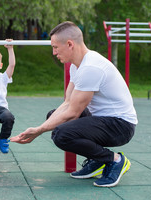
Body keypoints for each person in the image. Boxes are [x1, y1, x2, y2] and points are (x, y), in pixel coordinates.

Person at [10, 21, 137, 187]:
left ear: (70, 44)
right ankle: (98, 161)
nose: (54, 52)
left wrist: (39, 131)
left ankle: (114, 160)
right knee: (53, 118)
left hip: (121, 126)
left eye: (55, 47)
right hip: (104, 120)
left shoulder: (91, 67)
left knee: (62, 134)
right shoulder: (77, 66)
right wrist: (41, 127)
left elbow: (73, 113)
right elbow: (68, 103)